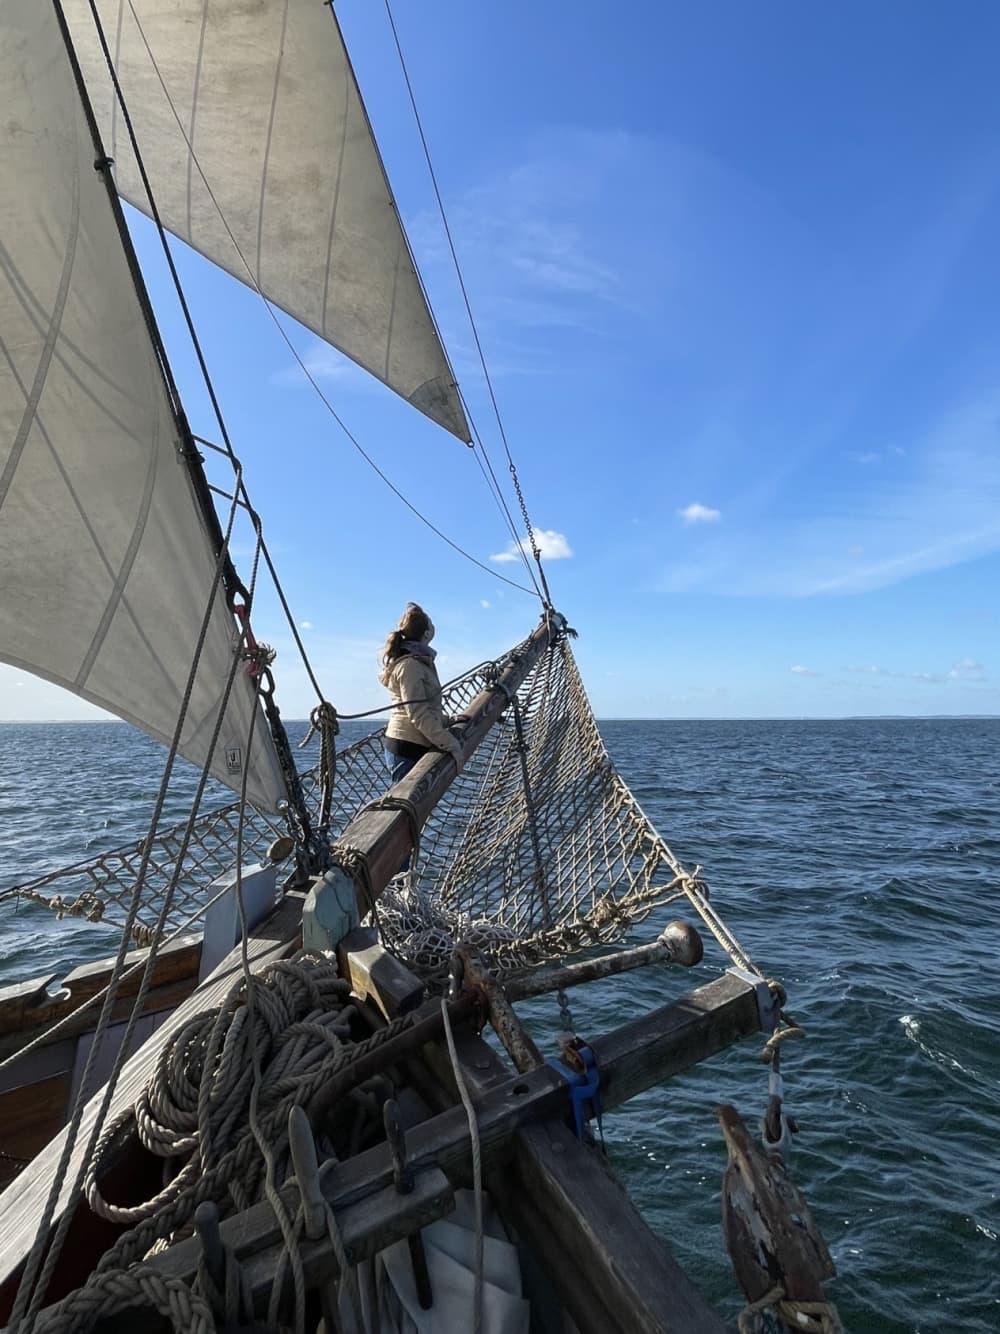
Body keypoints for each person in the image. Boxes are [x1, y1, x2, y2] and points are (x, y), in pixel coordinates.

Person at [379, 602, 464, 785]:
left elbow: (426, 707)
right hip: (406, 748)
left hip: (418, 742)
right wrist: (451, 744)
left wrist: (448, 720)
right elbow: (417, 713)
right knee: (410, 807)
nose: (434, 627)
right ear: (426, 633)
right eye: (431, 624)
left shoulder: (420, 662)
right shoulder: (410, 666)